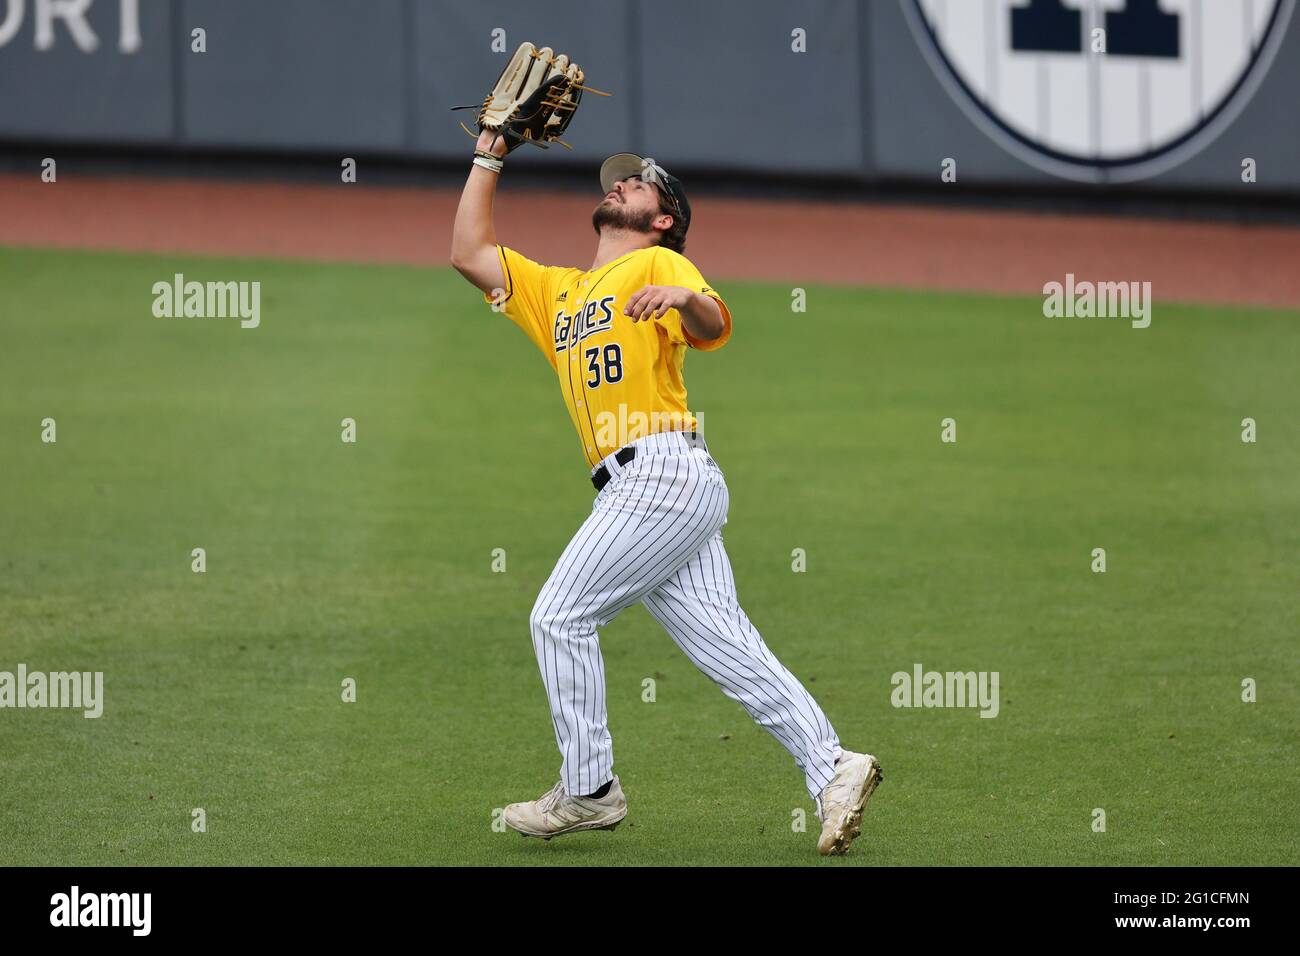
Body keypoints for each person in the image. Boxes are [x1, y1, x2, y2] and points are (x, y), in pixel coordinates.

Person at [449, 129, 882, 855]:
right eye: (617, 179)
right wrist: (491, 152)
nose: (618, 184)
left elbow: (713, 321)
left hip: (658, 476)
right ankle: (834, 767)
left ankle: (588, 790)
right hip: (660, 487)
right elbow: (468, 254)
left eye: (639, 183)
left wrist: (684, 293)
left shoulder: (659, 260)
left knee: (558, 617)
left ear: (663, 218)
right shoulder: (559, 291)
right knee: (726, 645)